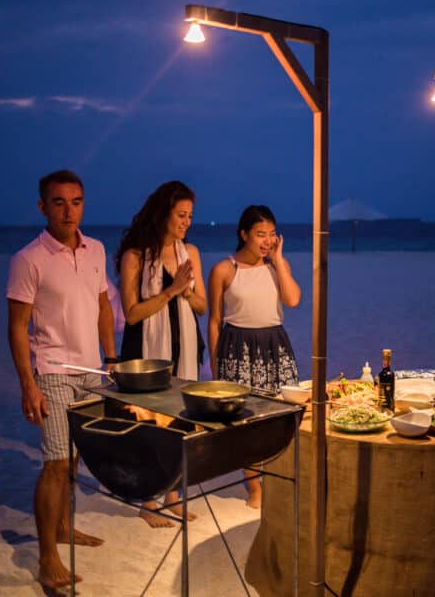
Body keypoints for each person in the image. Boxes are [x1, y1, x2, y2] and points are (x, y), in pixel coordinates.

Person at [6, 169, 116, 590]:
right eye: (58, 202)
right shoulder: (27, 259)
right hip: (52, 372)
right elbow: (17, 327)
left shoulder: (96, 250)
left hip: (92, 372)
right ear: (42, 207)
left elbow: (104, 305)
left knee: (73, 460)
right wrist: (27, 384)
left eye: (76, 201)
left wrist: (112, 357)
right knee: (54, 464)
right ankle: (48, 557)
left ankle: (65, 528)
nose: (69, 211)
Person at [116, 180, 206, 527]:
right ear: (162, 214)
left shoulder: (190, 253)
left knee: (181, 420)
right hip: (147, 352)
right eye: (181, 215)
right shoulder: (136, 255)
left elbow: (201, 307)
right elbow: (132, 313)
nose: (186, 222)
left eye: (190, 216)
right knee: (151, 420)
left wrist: (186, 292)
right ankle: (148, 501)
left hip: (184, 346)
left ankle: (173, 496)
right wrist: (172, 290)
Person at [208, 205, 300, 508]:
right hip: (239, 348)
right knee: (246, 422)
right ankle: (255, 489)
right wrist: (215, 365)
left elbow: (293, 299)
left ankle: (276, 479)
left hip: (275, 345)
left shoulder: (276, 266)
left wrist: (279, 260)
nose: (267, 240)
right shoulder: (225, 269)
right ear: (244, 233)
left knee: (280, 416)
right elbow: (214, 321)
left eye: (272, 234)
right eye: (260, 234)